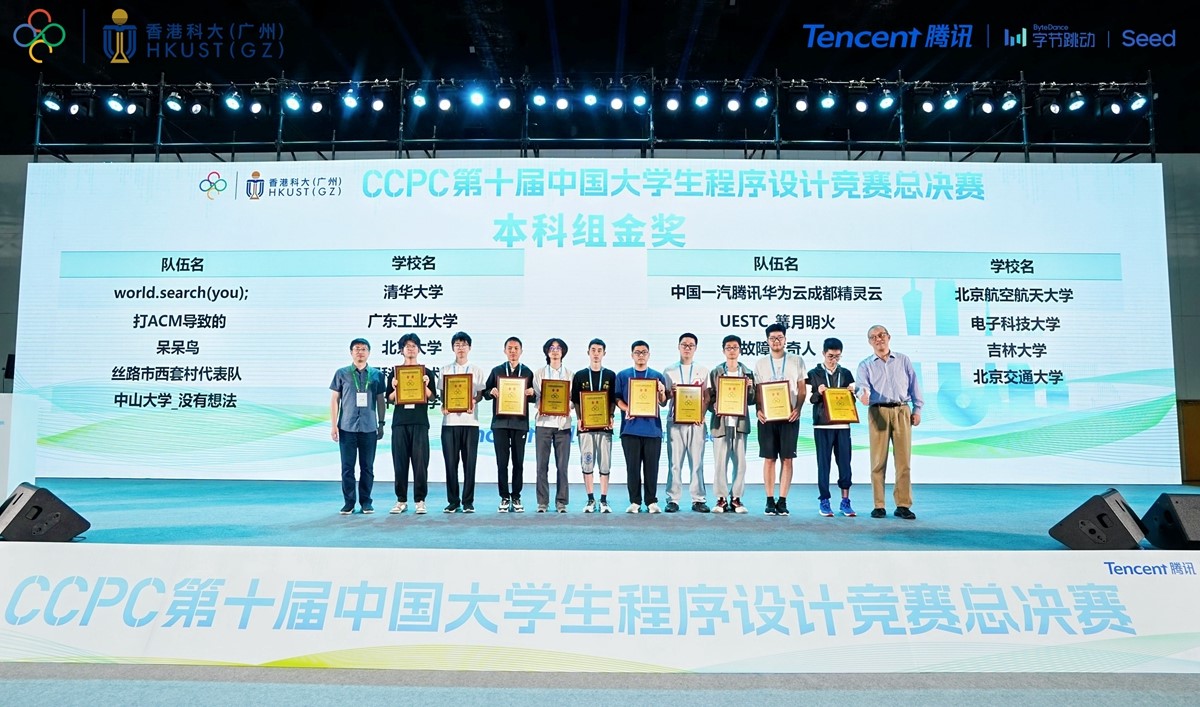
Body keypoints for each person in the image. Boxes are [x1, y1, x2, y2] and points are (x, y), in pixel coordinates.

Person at [855, 325, 923, 520]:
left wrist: (917, 409)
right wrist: (863, 395)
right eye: (873, 337)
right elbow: (861, 387)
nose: (878, 339)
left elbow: (914, 385)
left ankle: (903, 505)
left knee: (903, 461)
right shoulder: (865, 365)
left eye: (881, 335)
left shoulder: (903, 360)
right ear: (869, 342)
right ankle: (879, 505)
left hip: (902, 410)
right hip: (878, 411)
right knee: (878, 461)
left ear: (889, 337)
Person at [753, 323, 807, 517]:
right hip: (767, 418)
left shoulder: (796, 360)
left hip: (789, 417)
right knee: (769, 459)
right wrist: (758, 410)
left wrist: (798, 408)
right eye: (772, 338)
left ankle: (782, 500)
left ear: (785, 339)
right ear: (767, 341)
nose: (776, 341)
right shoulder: (760, 363)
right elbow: (758, 391)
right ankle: (769, 500)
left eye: (779, 337)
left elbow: (802, 389)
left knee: (787, 458)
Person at [329, 338, 387, 515]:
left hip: (369, 428)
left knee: (367, 467)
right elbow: (335, 400)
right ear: (351, 352)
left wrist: (381, 423)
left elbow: (380, 401)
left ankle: (366, 502)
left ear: (369, 352)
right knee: (347, 468)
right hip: (347, 427)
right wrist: (333, 425)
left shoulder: (377, 375)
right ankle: (349, 503)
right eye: (356, 349)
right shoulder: (341, 373)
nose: (360, 352)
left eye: (363, 349)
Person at [614, 340, 668, 513]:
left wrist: (661, 392)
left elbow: (663, 403)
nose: (641, 355)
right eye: (637, 352)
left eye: (644, 352)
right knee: (633, 468)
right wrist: (627, 409)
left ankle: (651, 501)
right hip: (630, 429)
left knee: (652, 468)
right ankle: (635, 501)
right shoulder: (623, 375)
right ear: (632, 355)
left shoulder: (657, 376)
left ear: (649, 355)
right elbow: (617, 398)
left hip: (652, 430)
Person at [388, 333, 438, 515]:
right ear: (401, 350)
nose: (410, 349)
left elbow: (432, 398)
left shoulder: (427, 373)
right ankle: (401, 500)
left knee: (420, 463)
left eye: (414, 346)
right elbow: (390, 399)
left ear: (419, 349)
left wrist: (425, 385)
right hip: (400, 423)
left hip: (420, 422)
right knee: (400, 463)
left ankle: (420, 500)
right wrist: (395, 388)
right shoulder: (394, 373)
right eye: (407, 346)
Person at [485, 337, 535, 513]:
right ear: (504, 351)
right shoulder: (497, 371)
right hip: (500, 423)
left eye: (516, 348)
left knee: (518, 462)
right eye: (510, 348)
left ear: (521, 351)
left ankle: (516, 496)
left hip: (519, 423)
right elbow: (485, 392)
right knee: (502, 462)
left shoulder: (527, 372)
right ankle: (504, 497)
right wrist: (491, 391)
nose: (513, 351)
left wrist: (532, 392)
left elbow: (535, 397)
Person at [808, 337, 857, 518]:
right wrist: (818, 392)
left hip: (843, 424)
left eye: (837, 356)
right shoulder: (813, 374)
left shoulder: (846, 374)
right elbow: (810, 399)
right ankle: (824, 500)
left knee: (845, 463)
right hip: (822, 425)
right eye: (830, 356)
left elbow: (851, 401)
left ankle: (845, 500)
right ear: (823, 353)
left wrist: (852, 393)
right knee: (824, 464)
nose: (833, 360)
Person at [707, 334, 755, 514]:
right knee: (720, 463)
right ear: (723, 350)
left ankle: (736, 498)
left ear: (740, 350)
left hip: (740, 424)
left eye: (735, 347)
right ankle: (721, 498)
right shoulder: (716, 372)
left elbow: (752, 400)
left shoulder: (747, 373)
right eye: (728, 348)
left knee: (740, 463)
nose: (732, 351)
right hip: (721, 424)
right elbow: (710, 399)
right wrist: (714, 406)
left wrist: (750, 387)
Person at [663, 333, 710, 512]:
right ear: (678, 347)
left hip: (696, 423)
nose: (687, 348)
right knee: (674, 463)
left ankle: (698, 499)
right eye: (684, 345)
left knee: (697, 462)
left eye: (691, 345)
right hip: (675, 422)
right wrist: (670, 392)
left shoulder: (703, 370)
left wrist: (702, 415)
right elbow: (663, 400)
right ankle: (673, 499)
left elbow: (706, 397)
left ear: (695, 348)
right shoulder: (669, 371)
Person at [440, 331, 486, 514]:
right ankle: (453, 501)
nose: (461, 348)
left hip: (470, 422)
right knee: (450, 464)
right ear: (453, 348)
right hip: (449, 423)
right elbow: (443, 393)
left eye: (464, 345)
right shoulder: (445, 370)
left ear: (470, 348)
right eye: (457, 345)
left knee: (469, 464)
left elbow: (480, 394)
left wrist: (473, 401)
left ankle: (468, 501)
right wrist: (444, 405)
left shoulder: (476, 370)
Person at [571, 338, 617, 513]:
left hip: (605, 427)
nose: (596, 353)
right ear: (588, 352)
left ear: (604, 353)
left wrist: (611, 416)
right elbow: (576, 400)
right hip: (586, 427)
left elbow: (612, 399)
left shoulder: (610, 375)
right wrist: (579, 418)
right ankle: (590, 499)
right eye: (593, 350)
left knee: (604, 463)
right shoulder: (580, 375)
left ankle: (604, 500)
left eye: (599, 350)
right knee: (587, 461)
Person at [533, 338, 573, 513]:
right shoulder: (539, 374)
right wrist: (543, 405)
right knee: (541, 466)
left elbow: (572, 400)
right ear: (547, 352)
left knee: (562, 466)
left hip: (563, 425)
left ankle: (561, 502)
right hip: (543, 423)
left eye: (558, 348)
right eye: (552, 348)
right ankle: (543, 502)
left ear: (563, 352)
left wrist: (566, 406)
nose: (555, 351)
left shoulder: (570, 375)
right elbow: (536, 397)